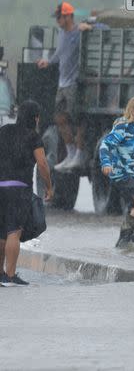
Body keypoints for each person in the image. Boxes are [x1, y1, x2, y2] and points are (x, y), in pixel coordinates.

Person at [36, 1, 107, 171]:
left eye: (59, 17)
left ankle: (80, 154)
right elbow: (59, 54)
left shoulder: (78, 32)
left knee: (77, 119)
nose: (57, 20)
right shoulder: (61, 33)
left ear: (68, 16)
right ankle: (71, 153)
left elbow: (105, 28)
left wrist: (92, 26)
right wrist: (48, 61)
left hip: (74, 83)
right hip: (62, 83)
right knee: (60, 118)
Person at [0, 100, 53, 287]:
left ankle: (0, 275)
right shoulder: (33, 137)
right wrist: (48, 186)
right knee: (14, 231)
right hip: (19, 188)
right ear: (36, 118)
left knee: (1, 233)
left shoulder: (4, 131)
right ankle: (11, 275)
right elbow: (43, 164)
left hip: (0, 186)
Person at [99, 96, 134, 248]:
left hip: (133, 174)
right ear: (133, 111)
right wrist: (106, 163)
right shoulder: (123, 126)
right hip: (122, 174)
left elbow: (132, 156)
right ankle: (123, 241)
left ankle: (130, 245)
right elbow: (105, 144)